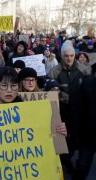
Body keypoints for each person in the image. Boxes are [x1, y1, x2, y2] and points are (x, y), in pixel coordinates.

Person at [48, 40, 91, 176]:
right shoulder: (54, 72)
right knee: (64, 149)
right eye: (66, 56)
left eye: (72, 56)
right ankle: (68, 169)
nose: (69, 59)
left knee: (81, 146)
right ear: (61, 55)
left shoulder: (84, 70)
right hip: (62, 114)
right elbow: (48, 95)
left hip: (80, 115)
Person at [74, 76, 96, 180]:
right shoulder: (87, 84)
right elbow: (77, 109)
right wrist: (77, 133)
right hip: (88, 135)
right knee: (82, 166)